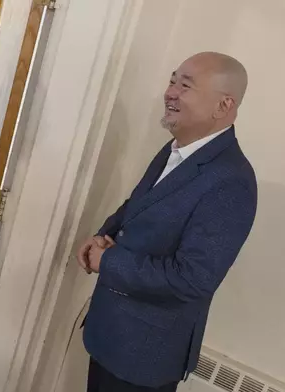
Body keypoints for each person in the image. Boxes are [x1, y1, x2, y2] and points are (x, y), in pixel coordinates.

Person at [77, 51, 258, 392]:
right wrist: (102, 236)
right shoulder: (176, 148)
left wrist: (109, 261)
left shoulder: (231, 181)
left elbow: (192, 279)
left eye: (185, 85)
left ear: (224, 106)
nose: (171, 92)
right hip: (111, 333)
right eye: (172, 80)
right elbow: (138, 206)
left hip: (145, 356)